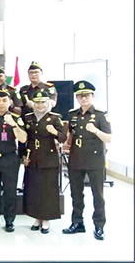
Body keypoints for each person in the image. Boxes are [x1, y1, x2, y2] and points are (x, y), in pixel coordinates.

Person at [62, 80, 111, 241]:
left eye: (86, 95)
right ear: (77, 98)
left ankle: (99, 226)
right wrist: (65, 144)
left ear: (92, 96)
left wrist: (96, 130)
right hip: (76, 159)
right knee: (76, 194)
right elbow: (70, 134)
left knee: (98, 195)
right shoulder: (72, 114)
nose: (83, 98)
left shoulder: (101, 115)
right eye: (80, 96)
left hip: (95, 160)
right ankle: (77, 223)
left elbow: (109, 138)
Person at [22, 89, 66, 234]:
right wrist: (23, 155)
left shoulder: (54, 118)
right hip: (32, 157)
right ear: (33, 103)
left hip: (49, 158)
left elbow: (63, 138)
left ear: (48, 102)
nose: (40, 105)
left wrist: (54, 132)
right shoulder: (28, 117)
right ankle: (37, 217)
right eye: (37, 102)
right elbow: (24, 139)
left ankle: (46, 219)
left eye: (43, 102)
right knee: (34, 189)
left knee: (47, 190)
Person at [0, 89, 27, 232]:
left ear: (10, 103)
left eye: (4, 101)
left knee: (10, 191)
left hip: (10, 159)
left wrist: (13, 124)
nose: (1, 103)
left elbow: (23, 139)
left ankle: (9, 220)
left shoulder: (16, 118)